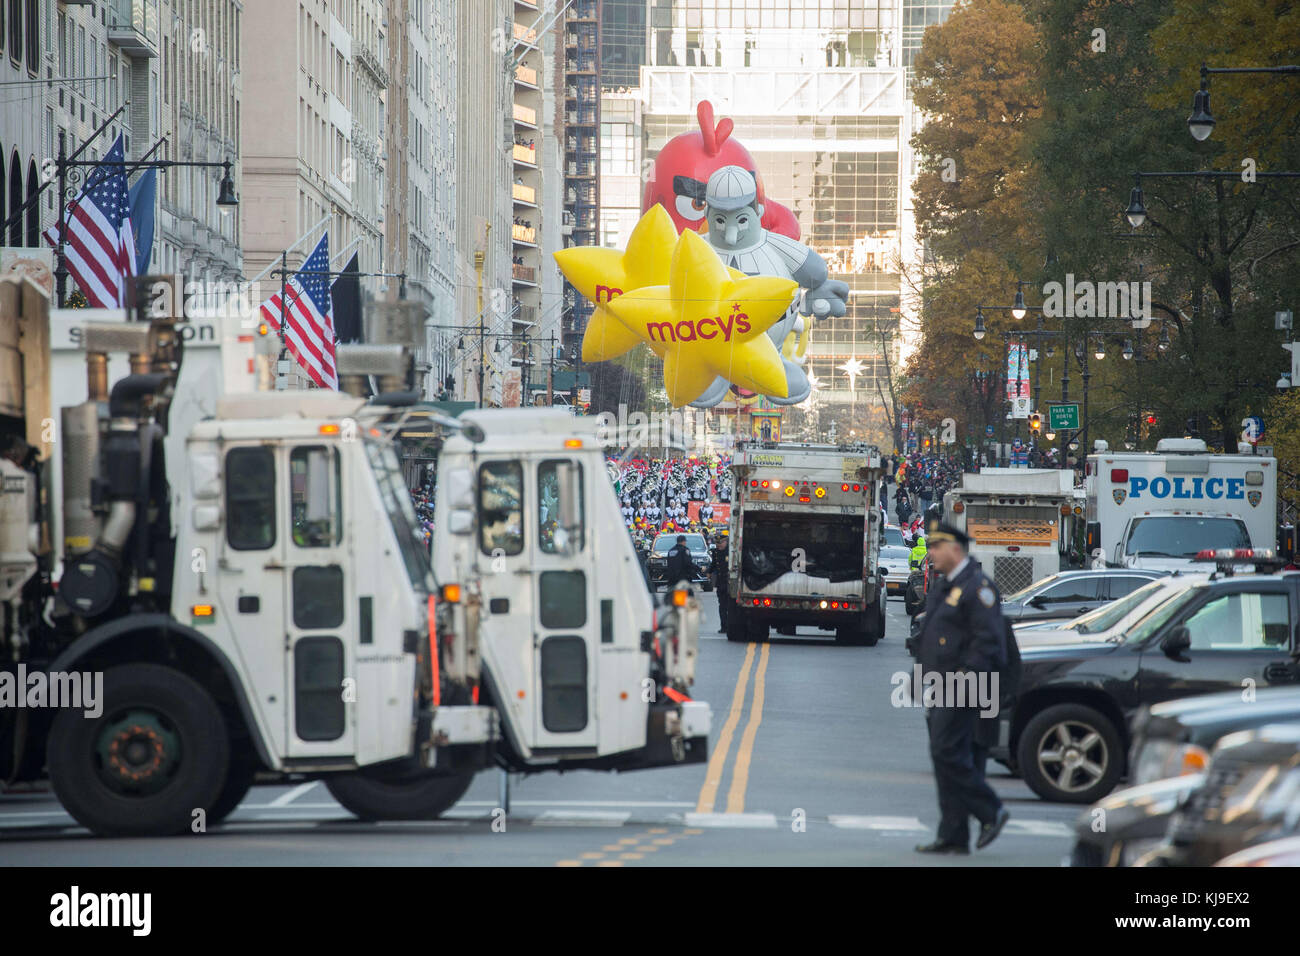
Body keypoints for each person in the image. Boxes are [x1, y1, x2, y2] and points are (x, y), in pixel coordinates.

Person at [913, 520, 1010, 855]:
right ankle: (953, 834)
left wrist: (966, 680)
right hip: (941, 683)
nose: (931, 553)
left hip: (965, 685)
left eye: (936, 547)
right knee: (944, 756)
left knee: (947, 752)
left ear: (955, 549)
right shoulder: (944, 585)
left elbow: (988, 643)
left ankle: (990, 810)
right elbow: (933, 636)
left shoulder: (978, 587)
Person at [712, 535, 730, 630]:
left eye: (720, 543)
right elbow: (714, 565)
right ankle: (723, 626)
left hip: (729, 582)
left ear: (725, 542)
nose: (718, 545)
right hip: (720, 582)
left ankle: (731, 626)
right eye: (717, 543)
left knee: (730, 606)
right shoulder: (715, 552)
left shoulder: (730, 552)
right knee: (722, 605)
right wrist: (708, 572)